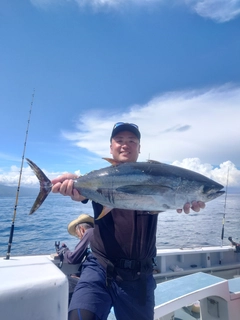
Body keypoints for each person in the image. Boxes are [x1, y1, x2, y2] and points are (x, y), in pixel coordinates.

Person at [52, 122, 205, 320]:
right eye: (119, 140)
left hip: (139, 277)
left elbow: (170, 196)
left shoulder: (154, 174)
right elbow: (82, 193)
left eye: (132, 141)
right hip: (99, 267)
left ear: (139, 148)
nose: (125, 145)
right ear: (111, 147)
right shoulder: (100, 178)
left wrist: (185, 199)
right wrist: (73, 184)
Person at [56, 214, 94, 303]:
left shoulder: (90, 232)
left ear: (82, 229)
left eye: (78, 235)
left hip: (91, 281)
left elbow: (72, 259)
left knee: (60, 282)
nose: (80, 238)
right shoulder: (97, 235)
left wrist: (64, 250)